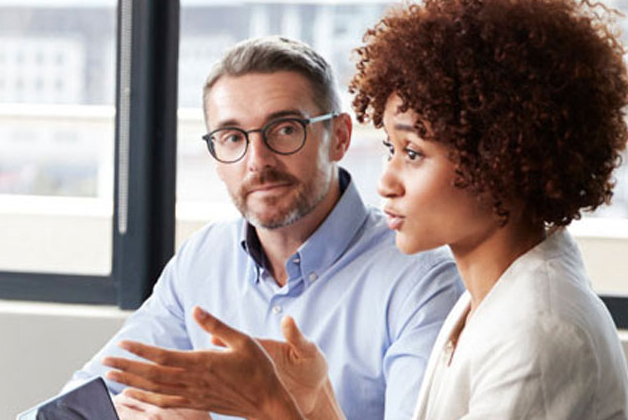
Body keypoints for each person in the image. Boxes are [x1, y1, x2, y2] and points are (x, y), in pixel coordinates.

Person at [101, 0, 628, 419]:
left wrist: (271, 407)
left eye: (414, 154)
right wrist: (316, 402)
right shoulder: (488, 303)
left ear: (503, 159)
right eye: (393, 150)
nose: (387, 181)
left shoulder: (537, 333)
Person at [65, 36, 462, 419]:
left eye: (285, 129)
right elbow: (81, 401)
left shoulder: (422, 279)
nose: (257, 161)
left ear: (338, 137)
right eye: (233, 137)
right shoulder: (203, 258)